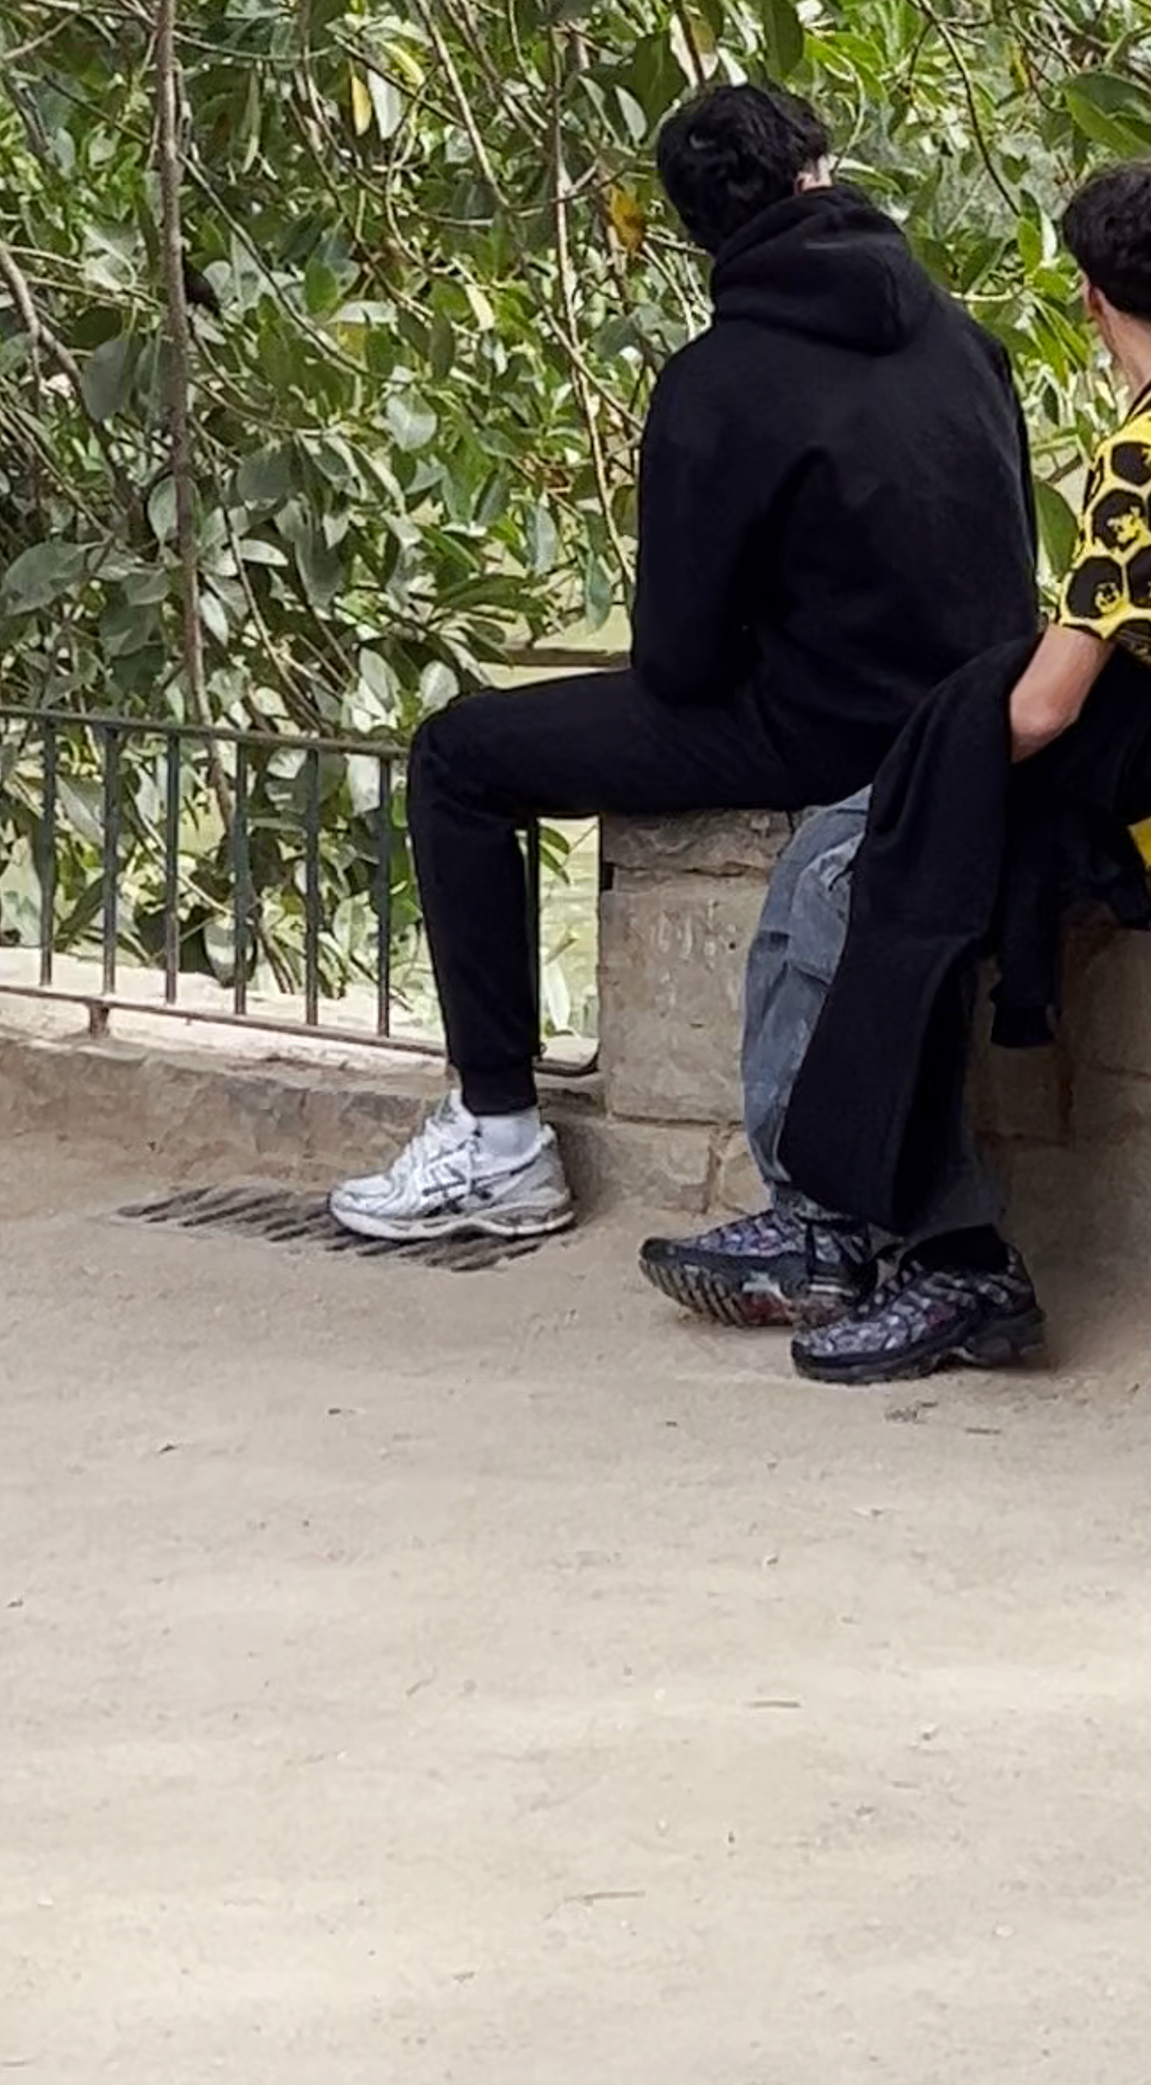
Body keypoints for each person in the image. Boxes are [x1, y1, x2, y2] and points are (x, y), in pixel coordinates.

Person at [636, 151, 1151, 1383]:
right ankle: (827, 1220)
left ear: (1087, 296)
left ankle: (929, 1252)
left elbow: (1052, 701)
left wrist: (931, 756)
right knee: (830, 853)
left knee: (864, 879)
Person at [331, 79, 1040, 1252]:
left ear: (697, 227)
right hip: (972, 717)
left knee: (457, 756)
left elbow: (679, 659)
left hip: (824, 728)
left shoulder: (718, 381)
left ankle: (500, 1134)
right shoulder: (965, 336)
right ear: (822, 167)